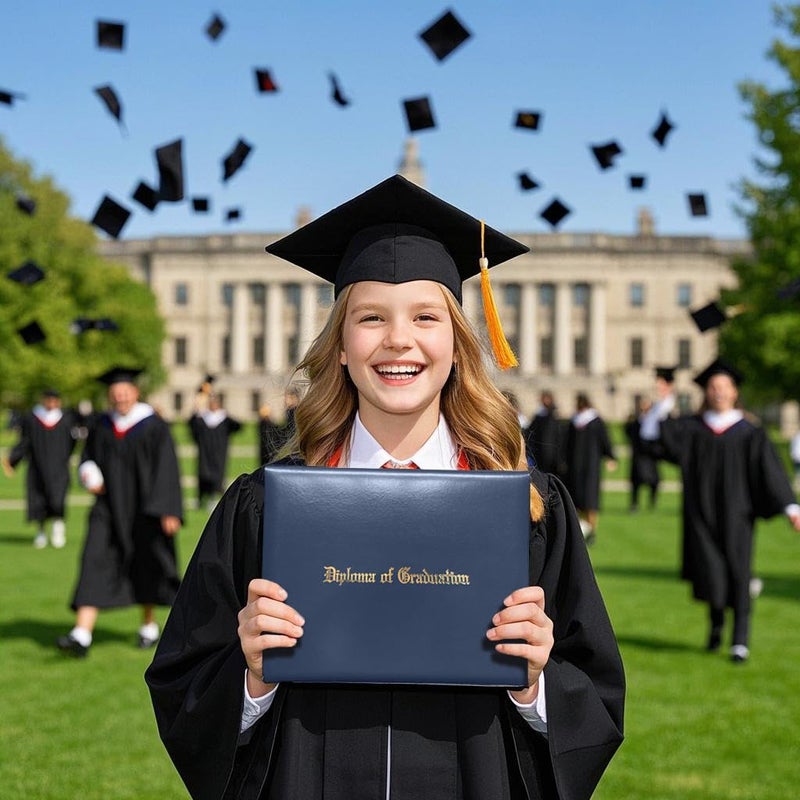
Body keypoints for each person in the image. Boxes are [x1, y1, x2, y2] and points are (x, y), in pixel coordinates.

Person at [145, 175, 624, 800]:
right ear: (340, 346)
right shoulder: (264, 508)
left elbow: (596, 696)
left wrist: (536, 683)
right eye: (371, 318)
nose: (400, 340)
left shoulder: (527, 508)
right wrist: (250, 677)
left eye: (427, 317)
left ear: (457, 343)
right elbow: (183, 685)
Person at [640, 357, 800, 663]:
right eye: (714, 387)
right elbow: (651, 439)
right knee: (711, 573)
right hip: (701, 515)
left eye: (725, 387)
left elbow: (771, 471)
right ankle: (715, 628)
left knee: (740, 574)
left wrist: (790, 506)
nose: (719, 392)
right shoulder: (693, 429)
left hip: (739, 515)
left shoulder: (750, 432)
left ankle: (739, 640)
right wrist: (663, 404)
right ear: (707, 392)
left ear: (735, 392)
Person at [57, 367, 183, 657]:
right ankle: (81, 634)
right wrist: (88, 472)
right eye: (115, 394)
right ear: (110, 397)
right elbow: (88, 458)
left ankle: (148, 626)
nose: (120, 398)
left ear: (135, 393)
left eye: (125, 393)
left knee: (146, 564)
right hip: (108, 509)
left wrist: (168, 510)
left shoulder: (153, 425)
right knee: (93, 559)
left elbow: (167, 469)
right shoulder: (102, 424)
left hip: (145, 510)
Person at [2, 389, 80, 548]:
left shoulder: (66, 419)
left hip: (59, 468)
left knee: (57, 499)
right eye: (48, 400)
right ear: (43, 401)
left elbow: (72, 443)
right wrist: (13, 459)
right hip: (37, 468)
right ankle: (41, 532)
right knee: (38, 500)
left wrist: (65, 458)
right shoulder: (32, 418)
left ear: (58, 402)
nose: (51, 403)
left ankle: (58, 528)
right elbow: (25, 442)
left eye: (54, 400)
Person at [564, 393, 617, 544]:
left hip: (591, 466)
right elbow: (567, 444)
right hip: (575, 467)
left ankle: (592, 531)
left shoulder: (595, 421)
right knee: (577, 500)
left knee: (590, 500)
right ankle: (580, 530)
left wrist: (610, 456)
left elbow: (605, 440)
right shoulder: (574, 422)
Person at [189, 393, 242, 510]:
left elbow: (238, 426)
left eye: (215, 403)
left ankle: (214, 498)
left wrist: (226, 414)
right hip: (205, 454)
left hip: (219, 453)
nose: (213, 405)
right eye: (211, 403)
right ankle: (201, 499)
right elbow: (191, 426)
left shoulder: (224, 418)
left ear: (218, 404)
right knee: (203, 474)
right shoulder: (202, 418)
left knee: (217, 475)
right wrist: (196, 411)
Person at [623, 398, 660, 512]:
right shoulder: (636, 422)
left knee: (654, 481)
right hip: (638, 457)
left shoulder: (654, 422)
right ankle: (634, 504)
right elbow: (628, 432)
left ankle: (652, 502)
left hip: (650, 457)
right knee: (636, 482)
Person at [524, 389, 564, 476]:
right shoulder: (540, 415)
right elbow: (530, 430)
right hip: (540, 451)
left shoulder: (554, 415)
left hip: (552, 452)